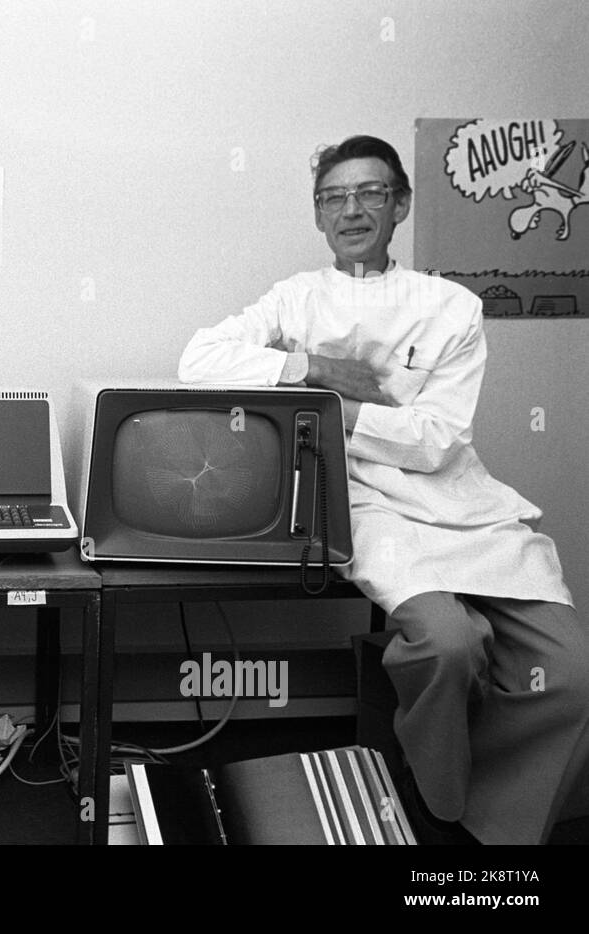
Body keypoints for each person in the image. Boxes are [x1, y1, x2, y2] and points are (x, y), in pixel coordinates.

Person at [178, 135, 589, 844]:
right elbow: (199, 359)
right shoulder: (296, 299)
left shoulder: (452, 307)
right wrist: (318, 370)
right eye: (333, 198)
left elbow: (436, 441)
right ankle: (440, 806)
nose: (352, 210)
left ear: (399, 204)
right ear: (318, 217)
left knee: (572, 672)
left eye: (371, 193)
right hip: (364, 499)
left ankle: (497, 817)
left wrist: (338, 412)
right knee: (447, 644)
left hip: (461, 503)